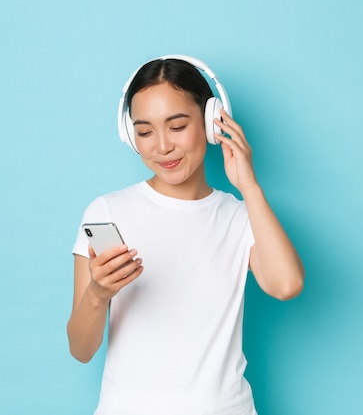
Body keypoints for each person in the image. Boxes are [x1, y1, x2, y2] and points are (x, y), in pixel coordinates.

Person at [67, 55, 304, 415]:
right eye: (145, 132)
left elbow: (286, 285)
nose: (161, 146)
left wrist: (248, 185)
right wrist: (98, 295)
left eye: (177, 126)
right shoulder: (107, 213)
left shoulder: (240, 217)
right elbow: (81, 349)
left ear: (212, 122)